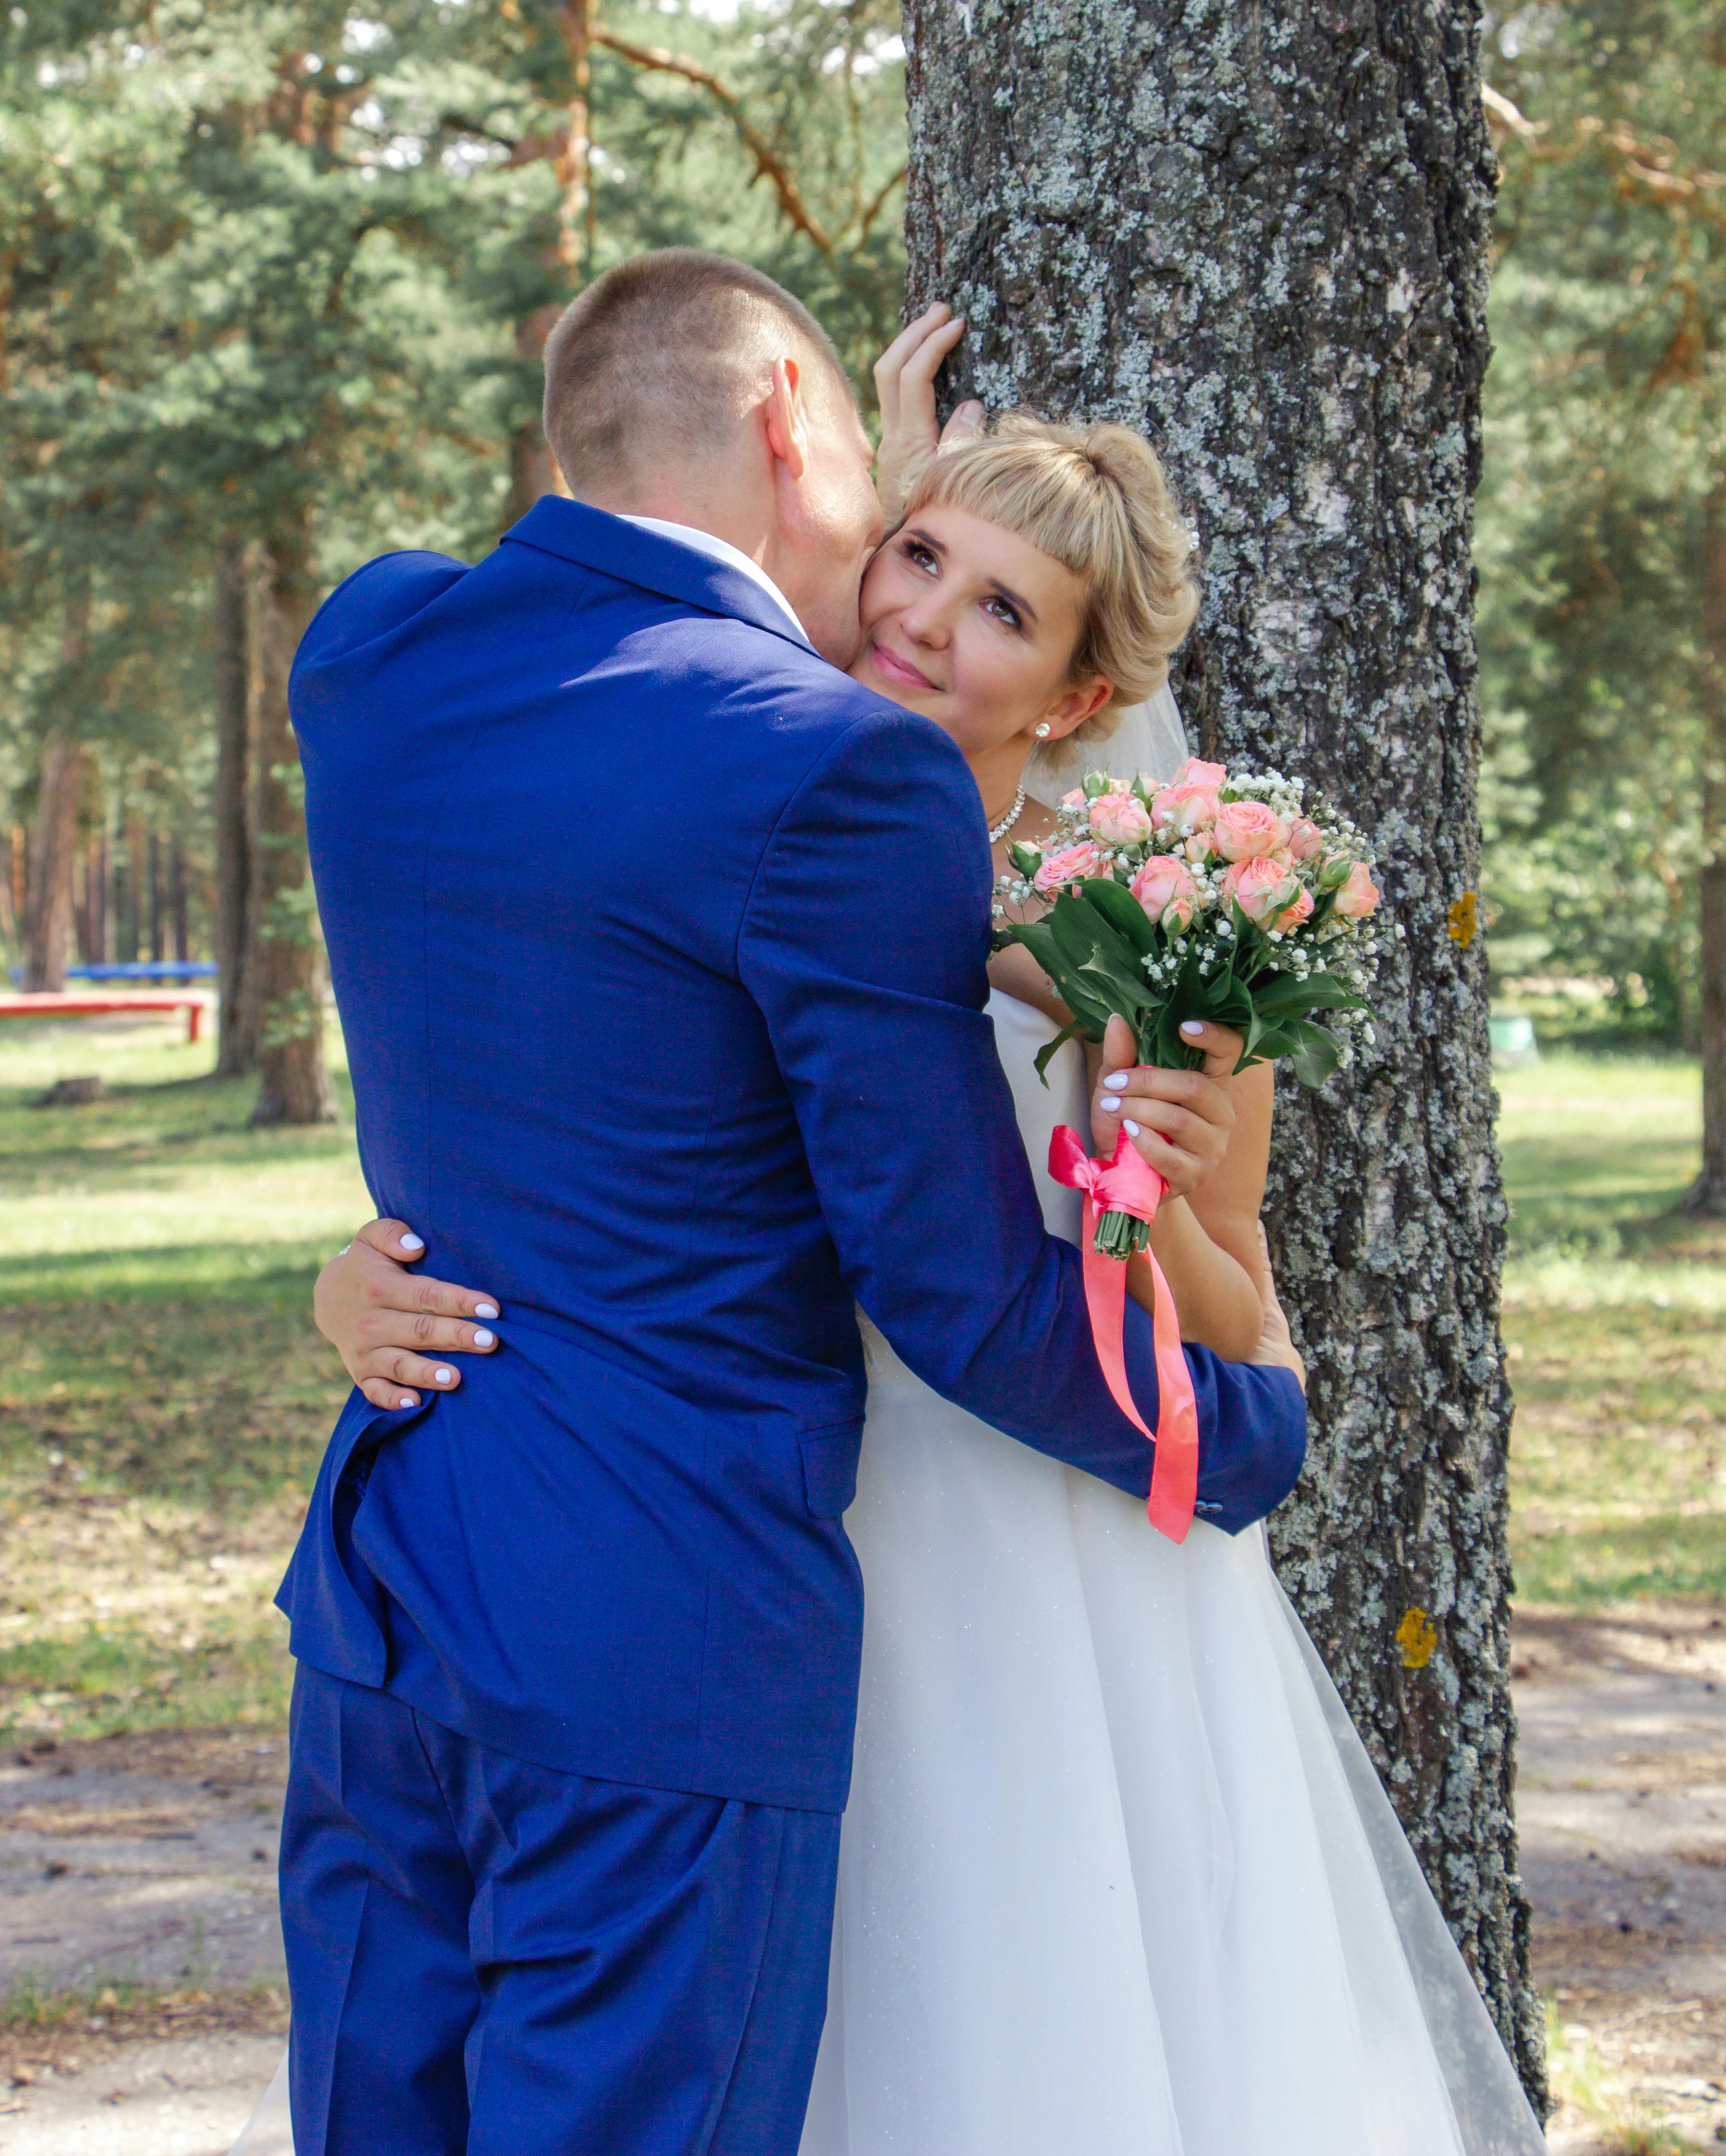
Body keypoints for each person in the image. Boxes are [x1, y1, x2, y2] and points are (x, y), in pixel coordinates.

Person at [294, 304, 1547, 2156]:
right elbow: (865, 1238)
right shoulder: (808, 773)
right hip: (695, 1587)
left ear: (1074, 705)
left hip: (756, 1577)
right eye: (916, 556)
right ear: (819, 462)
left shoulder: (386, 642)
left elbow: (1204, 1253)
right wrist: (350, 1273)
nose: (918, 616)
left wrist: (1246, 1355)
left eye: (1000, 611)